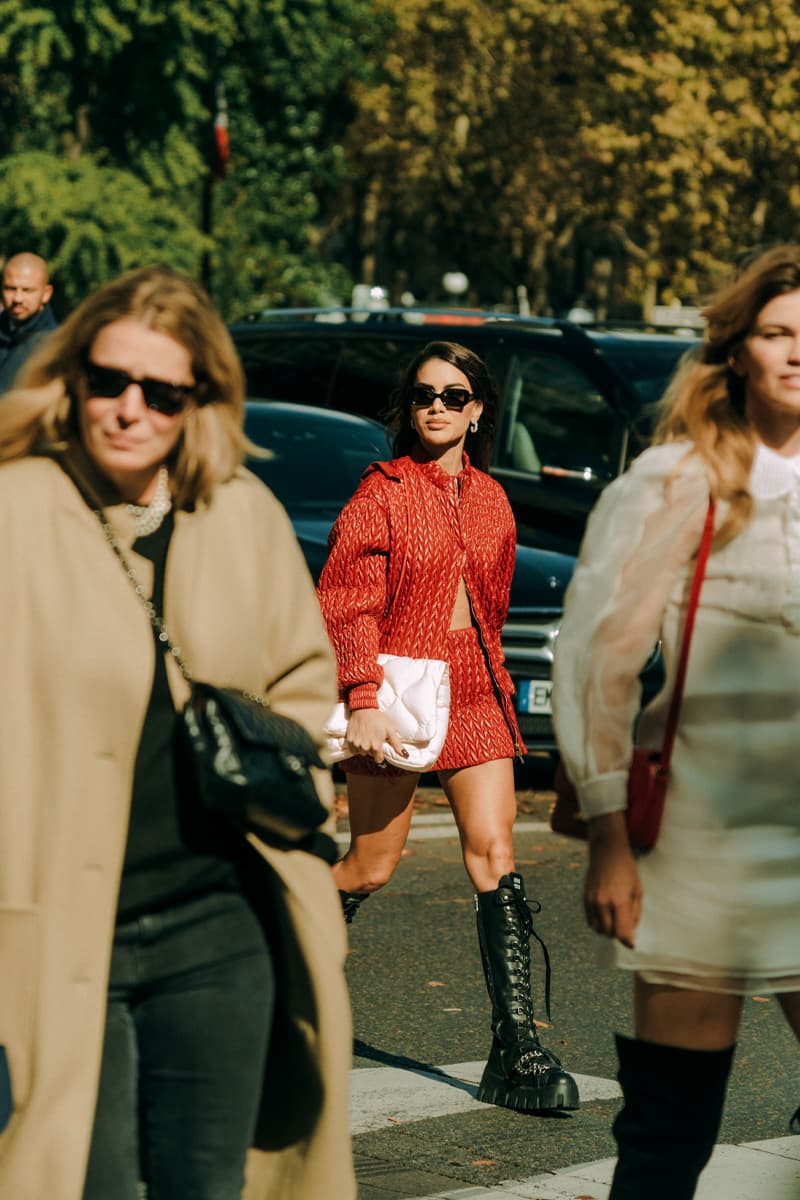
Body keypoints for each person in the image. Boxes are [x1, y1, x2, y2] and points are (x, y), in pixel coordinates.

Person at [0, 265, 355, 1200]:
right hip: (56, 934)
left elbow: (303, 683)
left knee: (206, 1186)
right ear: (70, 380)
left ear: (199, 401)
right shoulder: (16, 508)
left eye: (161, 392)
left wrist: (300, 780)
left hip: (219, 924)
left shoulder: (240, 514)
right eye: (109, 381)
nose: (130, 408)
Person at [552, 244, 800, 1199]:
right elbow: (595, 662)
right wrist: (609, 840)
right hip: (699, 842)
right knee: (670, 1133)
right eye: (775, 334)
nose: (793, 353)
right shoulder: (672, 481)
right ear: (736, 351)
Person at [316, 340, 579, 1114]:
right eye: (425, 394)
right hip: (398, 688)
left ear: (477, 410)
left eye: (453, 394)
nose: (437, 405)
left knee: (495, 854)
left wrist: (492, 680)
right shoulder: (382, 494)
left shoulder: (495, 499)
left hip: (474, 688)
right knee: (370, 865)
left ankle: (518, 1049)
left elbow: (492, 605)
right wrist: (362, 698)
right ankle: (279, 986)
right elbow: (346, 602)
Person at [0, 251, 58, 391]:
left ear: (46, 294)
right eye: (11, 289)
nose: (17, 299)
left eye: (27, 290)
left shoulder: (55, 347)